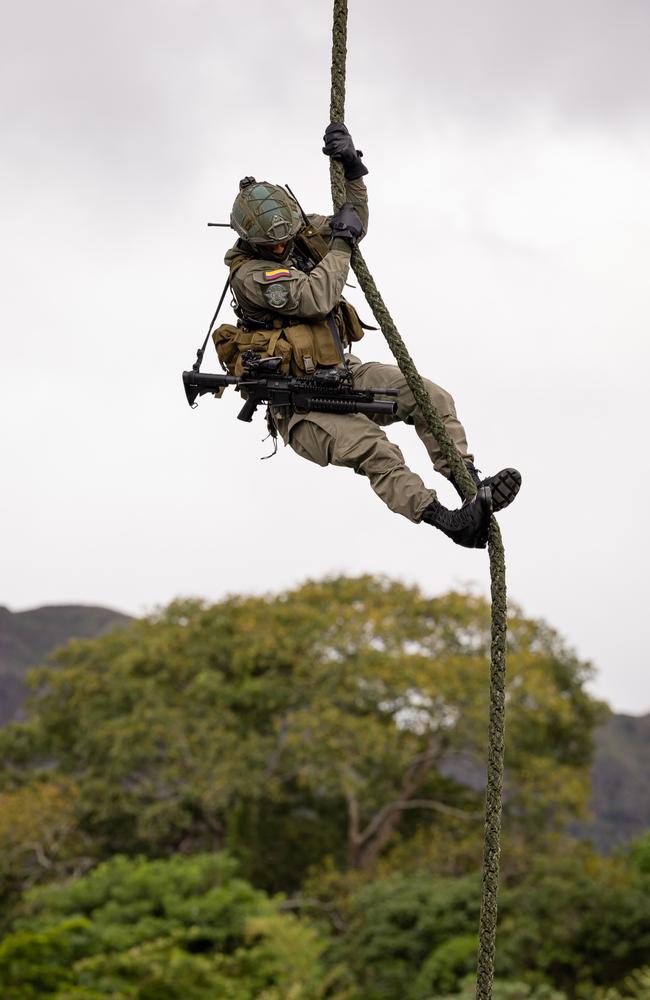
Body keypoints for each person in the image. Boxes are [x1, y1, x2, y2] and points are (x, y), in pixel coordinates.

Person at [214, 123, 521, 548]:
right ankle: (448, 521)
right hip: (300, 407)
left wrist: (354, 172)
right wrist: (340, 245)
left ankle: (469, 483)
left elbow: (352, 223)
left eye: (286, 240)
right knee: (374, 448)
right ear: (252, 241)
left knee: (430, 397)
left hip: (340, 373)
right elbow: (316, 298)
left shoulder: (295, 237)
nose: (283, 249)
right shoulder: (252, 274)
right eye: (273, 245)